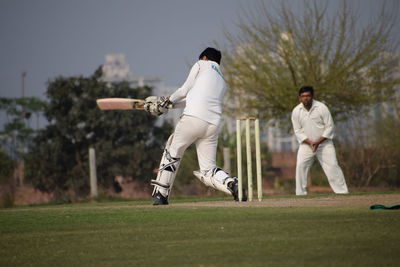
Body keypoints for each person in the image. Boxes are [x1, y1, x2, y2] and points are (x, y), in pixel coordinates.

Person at [144, 47, 245, 205]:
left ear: (204, 57)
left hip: (192, 119)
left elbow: (184, 90)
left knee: (173, 151)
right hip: (212, 124)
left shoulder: (201, 65)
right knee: (207, 169)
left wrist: (164, 101)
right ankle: (231, 184)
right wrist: (167, 105)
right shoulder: (222, 81)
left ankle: (161, 195)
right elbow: (191, 98)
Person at [291, 86, 349, 196]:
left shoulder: (321, 107)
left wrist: (318, 142)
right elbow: (297, 131)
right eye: (303, 96)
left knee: (332, 166)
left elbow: (330, 127)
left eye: (308, 96)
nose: (306, 98)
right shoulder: (296, 111)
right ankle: (300, 194)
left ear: (312, 96)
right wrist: (310, 142)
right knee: (300, 167)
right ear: (299, 98)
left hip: (324, 144)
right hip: (306, 145)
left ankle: (342, 193)